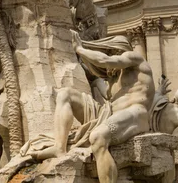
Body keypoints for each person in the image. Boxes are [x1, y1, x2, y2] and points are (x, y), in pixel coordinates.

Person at [28, 33, 155, 183]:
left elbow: (105, 60)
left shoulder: (135, 58)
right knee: (65, 94)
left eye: (108, 52)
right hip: (109, 113)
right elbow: (101, 80)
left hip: (135, 114)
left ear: (116, 51)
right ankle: (59, 147)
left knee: (97, 136)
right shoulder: (113, 78)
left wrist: (80, 49)